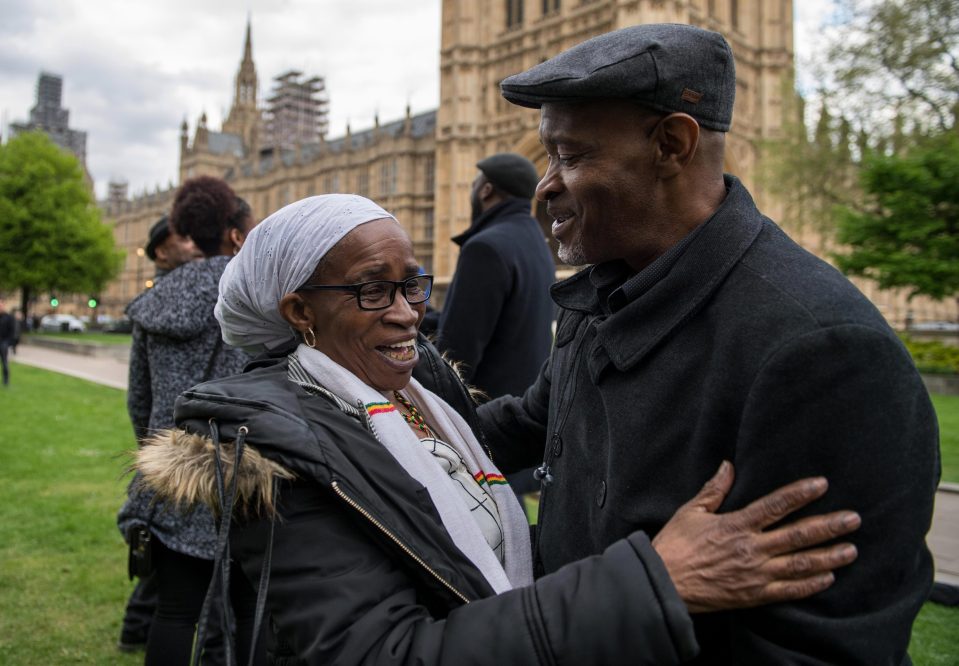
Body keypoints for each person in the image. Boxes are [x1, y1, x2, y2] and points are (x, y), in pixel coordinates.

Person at [131, 194, 860, 665]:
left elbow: (498, 435)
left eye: (413, 282)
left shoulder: (420, 390)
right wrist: (653, 583)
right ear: (297, 313)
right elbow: (387, 653)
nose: (408, 311)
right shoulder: (279, 455)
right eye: (370, 288)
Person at [473, 23, 940, 664]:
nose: (545, 185)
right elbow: (530, 421)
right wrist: (364, 441)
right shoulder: (608, 288)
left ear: (672, 144)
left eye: (570, 156)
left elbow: (824, 645)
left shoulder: (822, 351)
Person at [117, 176, 257, 665]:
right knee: (249, 613)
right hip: (248, 472)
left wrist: (162, 450)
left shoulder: (160, 296)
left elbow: (139, 397)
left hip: (176, 470)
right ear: (235, 234)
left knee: (176, 613)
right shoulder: (256, 291)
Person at [117, 215, 202, 653]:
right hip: (214, 461)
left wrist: (151, 446)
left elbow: (138, 398)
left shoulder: (156, 303)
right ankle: (135, 626)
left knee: (173, 587)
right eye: (177, 239)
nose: (188, 244)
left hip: (168, 455)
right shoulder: (222, 293)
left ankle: (135, 628)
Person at [435, 153, 555, 399]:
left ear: (486, 190)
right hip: (524, 405)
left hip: (487, 412)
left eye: (473, 185)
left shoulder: (484, 247)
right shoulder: (536, 240)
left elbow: (457, 355)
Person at [0, 301, 16, 386]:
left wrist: (8, 343)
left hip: (4, 343)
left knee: (5, 363)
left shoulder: (8, 317)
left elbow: (12, 331)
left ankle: (6, 381)